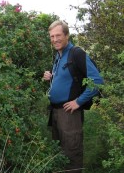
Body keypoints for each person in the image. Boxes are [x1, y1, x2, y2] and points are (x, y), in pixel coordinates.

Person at [43, 20, 103, 172]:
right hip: (56, 112)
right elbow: (67, 78)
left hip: (69, 113)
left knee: (71, 155)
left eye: (58, 35)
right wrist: (51, 77)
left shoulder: (76, 53)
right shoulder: (58, 55)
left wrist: (78, 101)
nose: (55, 39)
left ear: (67, 35)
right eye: (51, 36)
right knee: (59, 154)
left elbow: (97, 81)